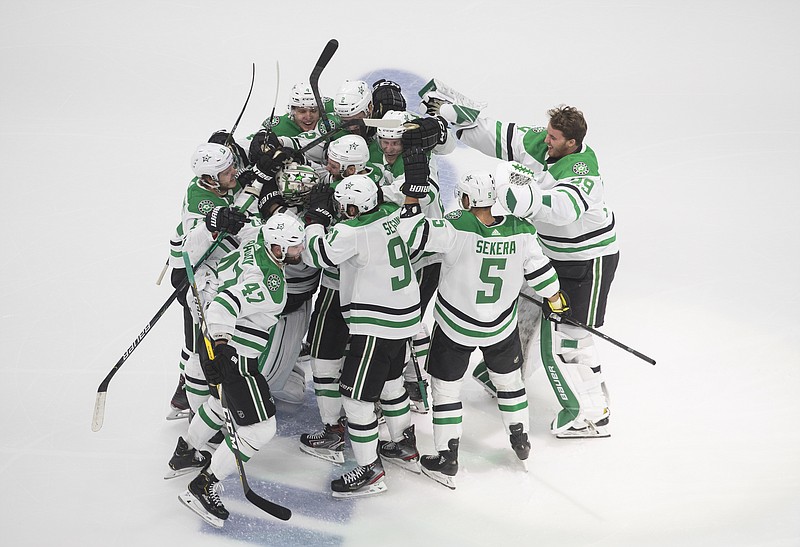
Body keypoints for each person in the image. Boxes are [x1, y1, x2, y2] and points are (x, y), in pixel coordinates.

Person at [426, 90, 618, 438]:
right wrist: (460, 120)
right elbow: (499, 135)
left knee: (570, 339)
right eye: (548, 132)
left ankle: (593, 414)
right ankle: (500, 372)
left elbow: (564, 210)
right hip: (549, 252)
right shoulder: (542, 142)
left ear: (572, 143)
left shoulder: (582, 169)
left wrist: (522, 197)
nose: (547, 140)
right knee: (523, 311)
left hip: (587, 260)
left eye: (555, 138)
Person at [397, 158, 568, 489]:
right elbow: (542, 273)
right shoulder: (520, 228)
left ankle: (447, 458)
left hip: (454, 327)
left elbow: (412, 235)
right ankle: (520, 438)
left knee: (446, 389)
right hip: (500, 327)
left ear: (464, 199)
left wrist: (410, 203)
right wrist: (555, 298)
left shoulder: (455, 226)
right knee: (509, 383)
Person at [174, 212, 306, 528]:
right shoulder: (271, 286)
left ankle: (186, 451)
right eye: (295, 246)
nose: (300, 251)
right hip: (233, 356)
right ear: (277, 249)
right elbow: (225, 304)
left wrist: (231, 219)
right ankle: (204, 486)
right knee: (261, 429)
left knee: (220, 405)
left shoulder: (256, 238)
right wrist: (222, 347)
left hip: (212, 345)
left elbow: (249, 227)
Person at [303, 173, 421, 498]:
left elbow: (320, 255)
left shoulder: (350, 231)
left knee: (355, 399)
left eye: (344, 206)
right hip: (404, 316)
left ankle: (370, 470)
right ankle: (403, 444)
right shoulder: (394, 211)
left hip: (376, 323)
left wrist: (315, 220)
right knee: (392, 385)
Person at [296, 134, 385, 464]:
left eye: (334, 165)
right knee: (373, 366)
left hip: (340, 290)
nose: (327, 169)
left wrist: (315, 219)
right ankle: (380, 420)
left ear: (352, 169)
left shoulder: (353, 199)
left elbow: (319, 255)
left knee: (323, 358)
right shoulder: (377, 188)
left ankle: (334, 429)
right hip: (374, 296)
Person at [165, 142, 248, 425]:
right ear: (211, 179)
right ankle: (187, 397)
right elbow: (191, 250)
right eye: (227, 171)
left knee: (196, 338)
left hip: (210, 269)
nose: (234, 172)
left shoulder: (216, 185)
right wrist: (210, 224)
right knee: (195, 343)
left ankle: (184, 392)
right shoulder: (203, 202)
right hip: (191, 274)